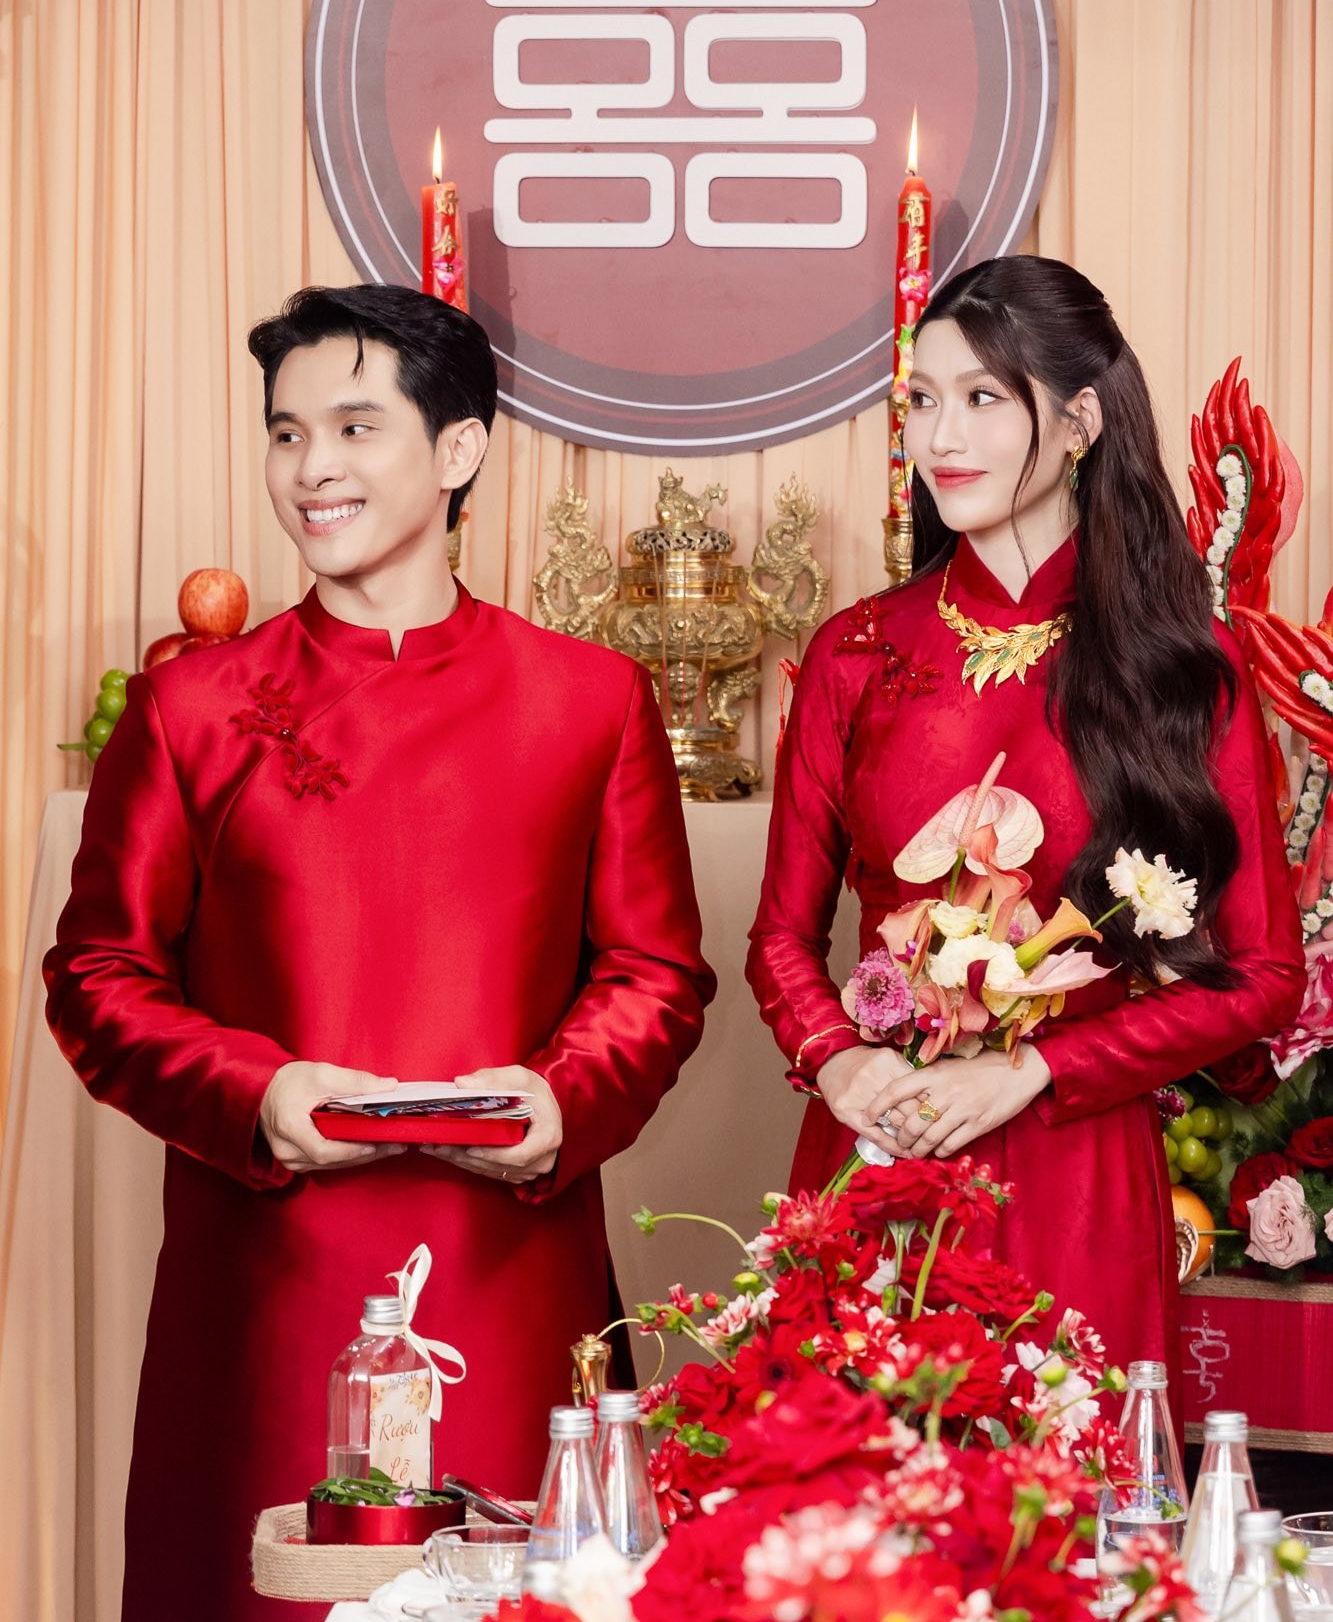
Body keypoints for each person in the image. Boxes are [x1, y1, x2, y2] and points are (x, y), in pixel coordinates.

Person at [45, 284, 713, 1622]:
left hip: (512, 1264)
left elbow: (654, 972)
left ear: (459, 448)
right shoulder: (191, 706)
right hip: (265, 1277)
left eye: (355, 427)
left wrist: (563, 1098)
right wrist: (255, 1092)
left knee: (525, 1592)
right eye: (287, 433)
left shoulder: (590, 699)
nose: (313, 469)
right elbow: (98, 974)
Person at [747, 255, 1304, 1405]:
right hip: (881, 1148)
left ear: (1081, 420)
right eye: (921, 399)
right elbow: (779, 940)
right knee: (856, 1494)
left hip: (1075, 1166)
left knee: (1065, 1497)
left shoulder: (1181, 668)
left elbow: (1261, 978)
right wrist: (841, 1059)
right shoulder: (858, 652)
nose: (940, 434)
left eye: (983, 397)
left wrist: (1039, 1067)